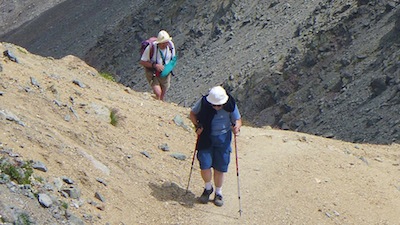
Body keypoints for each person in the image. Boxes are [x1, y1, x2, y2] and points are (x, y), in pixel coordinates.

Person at [189, 86, 242, 206]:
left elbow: (237, 119)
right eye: (214, 105)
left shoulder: (230, 104)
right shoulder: (203, 102)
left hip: (223, 139)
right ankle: (208, 188)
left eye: (219, 105)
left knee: (220, 167)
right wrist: (197, 125)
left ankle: (219, 192)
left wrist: (236, 127)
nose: (216, 108)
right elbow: (192, 114)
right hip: (206, 137)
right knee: (204, 165)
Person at [140, 30, 176, 101]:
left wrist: (169, 67)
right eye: (162, 43)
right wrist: (155, 65)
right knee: (158, 93)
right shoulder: (151, 48)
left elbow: (173, 58)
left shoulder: (171, 46)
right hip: (153, 73)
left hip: (165, 73)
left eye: (165, 43)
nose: (164, 45)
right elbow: (142, 62)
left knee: (162, 95)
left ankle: (158, 106)